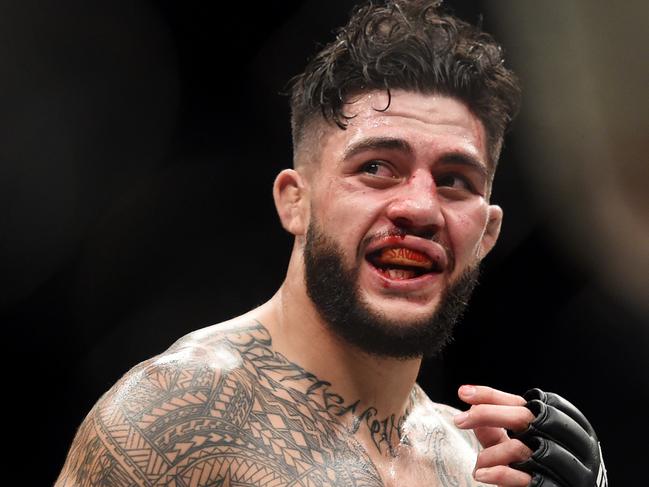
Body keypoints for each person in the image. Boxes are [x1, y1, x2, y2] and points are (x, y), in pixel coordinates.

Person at [56, 1, 607, 486]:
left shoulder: (476, 464)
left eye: (454, 179)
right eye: (376, 168)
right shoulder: (177, 418)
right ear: (295, 201)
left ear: (487, 234)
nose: (419, 207)